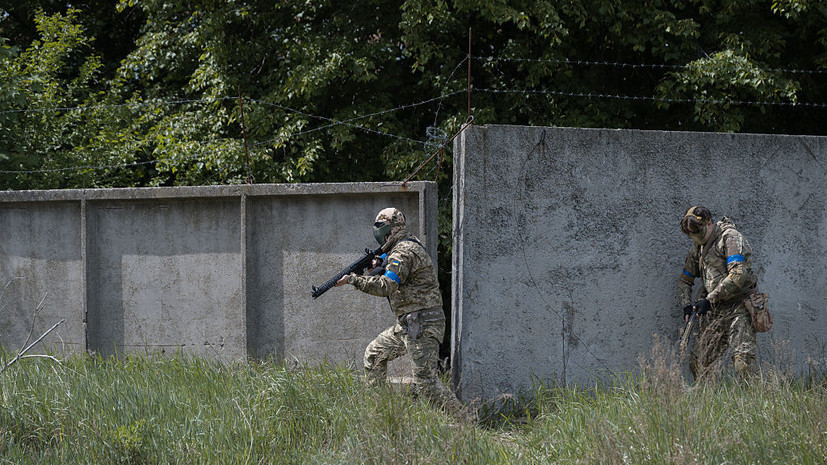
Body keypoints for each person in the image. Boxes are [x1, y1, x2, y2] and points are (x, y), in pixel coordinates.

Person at [335, 207, 470, 420]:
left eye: (379, 225)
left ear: (389, 229)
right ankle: (381, 413)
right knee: (375, 354)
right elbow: (395, 274)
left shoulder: (403, 251)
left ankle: (467, 422)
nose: (376, 231)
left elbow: (386, 286)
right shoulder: (400, 248)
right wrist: (380, 264)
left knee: (426, 383)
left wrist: (354, 279)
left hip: (422, 324)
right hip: (408, 324)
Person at [677, 206, 759, 379]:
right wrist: (686, 304)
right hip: (714, 311)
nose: (695, 238)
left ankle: (752, 402)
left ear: (709, 223)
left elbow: (738, 275)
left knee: (743, 364)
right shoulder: (697, 248)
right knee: (699, 362)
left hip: (739, 306)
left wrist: (710, 298)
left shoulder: (730, 238)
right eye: (691, 235)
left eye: (698, 233)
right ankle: (708, 402)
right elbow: (685, 280)